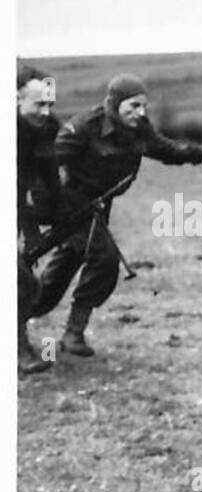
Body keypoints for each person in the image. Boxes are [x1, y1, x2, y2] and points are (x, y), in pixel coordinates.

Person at [30, 73, 202, 357]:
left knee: (66, 265)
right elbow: (46, 166)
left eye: (144, 106)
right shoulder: (84, 127)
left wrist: (188, 153)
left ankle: (25, 316)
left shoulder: (139, 129)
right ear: (115, 103)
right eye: (133, 106)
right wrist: (45, 211)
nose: (141, 113)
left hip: (97, 206)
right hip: (69, 204)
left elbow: (161, 148)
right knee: (104, 259)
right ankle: (72, 333)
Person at [16, 65, 60, 374]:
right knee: (22, 283)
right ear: (15, 99)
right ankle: (18, 352)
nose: (46, 112)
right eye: (38, 104)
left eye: (50, 104)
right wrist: (31, 231)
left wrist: (60, 213)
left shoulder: (44, 128)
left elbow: (49, 175)